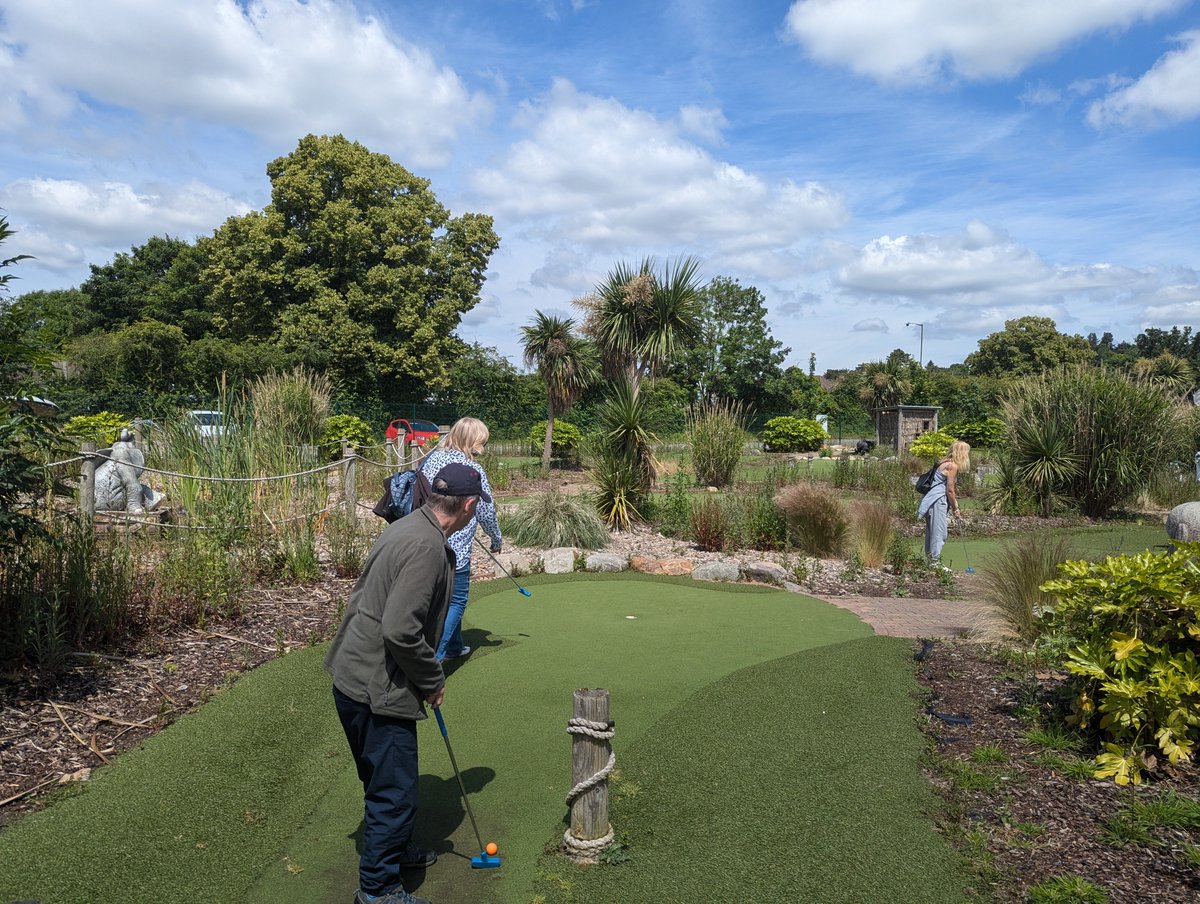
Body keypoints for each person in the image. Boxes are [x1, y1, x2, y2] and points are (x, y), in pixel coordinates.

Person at [325, 463, 492, 904]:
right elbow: (400, 630)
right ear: (469, 505)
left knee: (380, 782)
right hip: (377, 689)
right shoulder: (427, 549)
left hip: (350, 676)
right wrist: (432, 678)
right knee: (395, 795)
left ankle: (393, 851)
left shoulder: (406, 525)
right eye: (478, 507)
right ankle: (378, 891)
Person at [418, 417, 502, 663]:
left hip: (428, 538)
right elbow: (485, 510)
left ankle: (454, 646)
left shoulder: (431, 460)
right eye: (482, 440)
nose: (483, 445)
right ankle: (436, 657)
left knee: (436, 597)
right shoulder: (472, 469)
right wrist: (496, 537)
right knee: (456, 599)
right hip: (456, 547)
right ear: (474, 440)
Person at [917, 440, 971, 565]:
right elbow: (950, 490)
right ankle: (934, 562)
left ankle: (931, 561)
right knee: (939, 532)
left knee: (932, 531)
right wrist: (955, 508)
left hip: (931, 500)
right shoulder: (952, 466)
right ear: (961, 453)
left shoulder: (943, 462)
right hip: (938, 500)